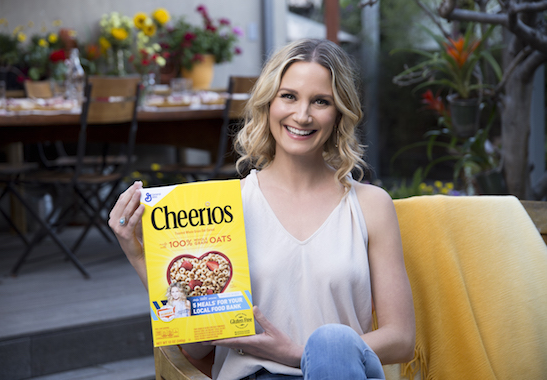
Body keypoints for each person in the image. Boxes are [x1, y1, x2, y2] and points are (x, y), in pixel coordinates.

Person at [109, 38, 415, 380]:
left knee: (332, 343)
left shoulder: (371, 205)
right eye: (289, 96)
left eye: (320, 101)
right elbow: (198, 349)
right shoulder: (223, 208)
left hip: (343, 371)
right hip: (257, 375)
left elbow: (401, 338)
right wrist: (138, 256)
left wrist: (301, 355)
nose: (302, 115)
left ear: (339, 112)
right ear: (268, 102)